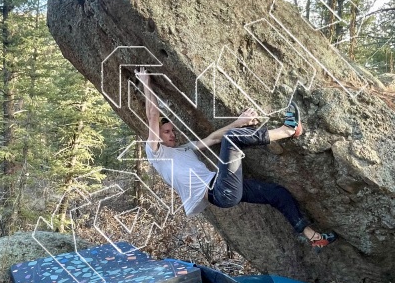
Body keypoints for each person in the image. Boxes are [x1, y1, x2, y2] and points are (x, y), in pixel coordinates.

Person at [135, 67, 337, 249]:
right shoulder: (156, 153)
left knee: (277, 193)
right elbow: (152, 115)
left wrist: (238, 122)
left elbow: (213, 138)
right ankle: (288, 131)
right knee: (231, 140)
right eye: (166, 132)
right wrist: (146, 82)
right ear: (156, 136)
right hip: (219, 192)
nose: (172, 134)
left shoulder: (183, 150)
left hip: (224, 187)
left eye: (172, 130)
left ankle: (312, 236)